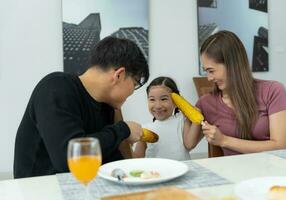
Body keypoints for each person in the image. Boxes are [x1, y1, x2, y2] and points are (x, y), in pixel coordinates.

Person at [13, 36, 149, 178]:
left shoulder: (107, 106)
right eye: (135, 84)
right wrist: (124, 129)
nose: (132, 92)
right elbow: (68, 159)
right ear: (119, 75)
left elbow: (113, 161)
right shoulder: (56, 87)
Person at [196, 30, 286, 156]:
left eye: (211, 71)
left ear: (232, 65)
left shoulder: (273, 91)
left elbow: (281, 146)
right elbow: (187, 144)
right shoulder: (205, 103)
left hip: (273, 170)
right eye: (206, 71)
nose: (208, 78)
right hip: (233, 173)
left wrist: (224, 140)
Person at [133, 77, 202, 160]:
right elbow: (137, 157)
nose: (158, 105)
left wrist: (196, 119)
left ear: (175, 101)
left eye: (163, 99)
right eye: (152, 99)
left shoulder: (182, 120)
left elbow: (190, 144)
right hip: (156, 172)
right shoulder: (145, 129)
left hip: (180, 169)